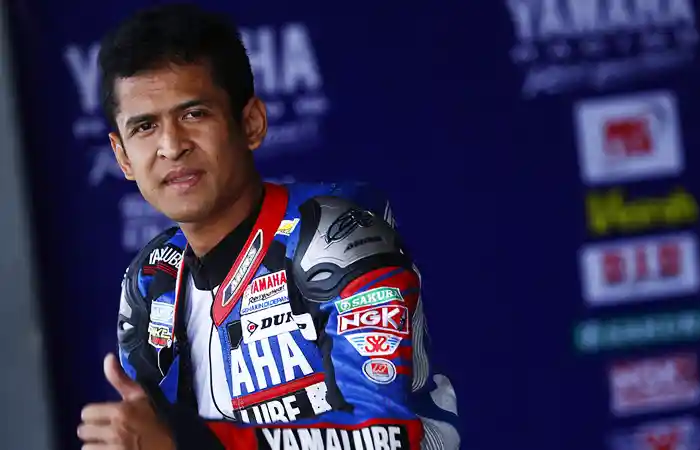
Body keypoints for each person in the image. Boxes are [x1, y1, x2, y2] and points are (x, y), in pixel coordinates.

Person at [76, 4, 460, 450]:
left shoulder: (334, 238)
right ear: (123, 156)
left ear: (251, 123)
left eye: (194, 114)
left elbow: (388, 438)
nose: (172, 146)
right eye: (145, 127)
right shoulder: (152, 281)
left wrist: (189, 442)